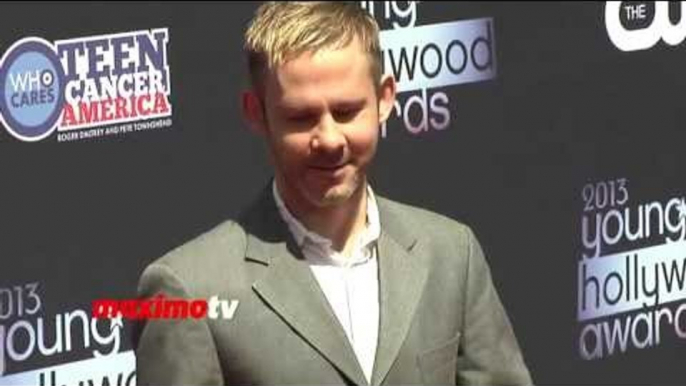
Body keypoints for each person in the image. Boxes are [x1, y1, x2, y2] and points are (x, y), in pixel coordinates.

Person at [134, 2, 532, 385]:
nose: (328, 139)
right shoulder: (189, 288)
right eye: (301, 117)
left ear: (385, 99)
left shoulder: (450, 253)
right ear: (256, 112)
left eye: (346, 111)